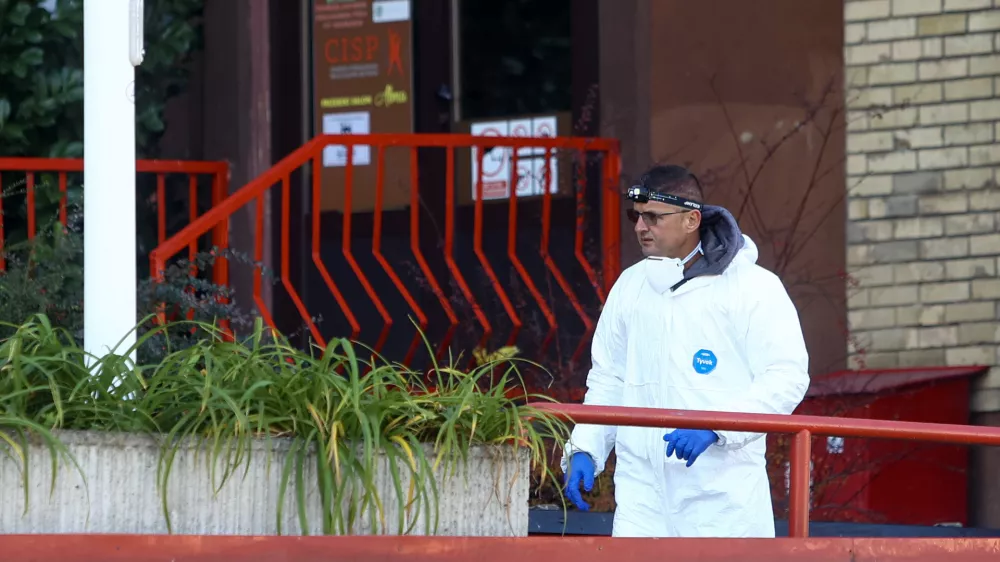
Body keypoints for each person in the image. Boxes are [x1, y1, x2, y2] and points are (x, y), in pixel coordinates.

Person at [560, 164, 810, 538]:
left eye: (653, 217)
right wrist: (586, 448)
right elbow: (609, 378)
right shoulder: (630, 287)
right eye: (636, 216)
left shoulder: (753, 288)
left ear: (692, 219)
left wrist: (716, 426)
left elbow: (786, 376)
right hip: (640, 499)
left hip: (723, 499)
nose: (640, 227)